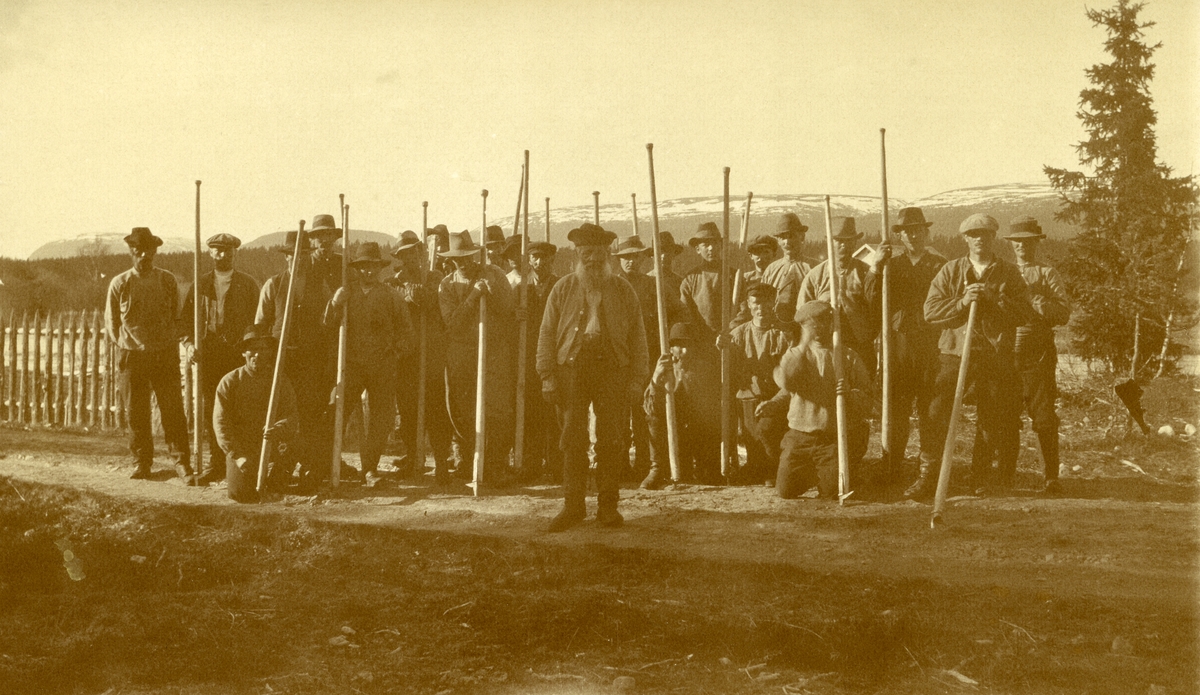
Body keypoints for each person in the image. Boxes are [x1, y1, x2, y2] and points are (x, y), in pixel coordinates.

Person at [911, 213, 1034, 498]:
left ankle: (979, 478)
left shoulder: (1008, 272)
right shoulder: (950, 271)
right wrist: (962, 302)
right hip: (954, 352)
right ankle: (930, 477)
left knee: (992, 416)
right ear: (965, 239)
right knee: (936, 412)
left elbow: (1025, 313)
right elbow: (930, 312)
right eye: (974, 234)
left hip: (994, 354)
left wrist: (996, 298)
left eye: (986, 234)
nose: (980, 239)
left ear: (993, 238)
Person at [537, 223, 648, 531]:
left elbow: (639, 337)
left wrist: (638, 379)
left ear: (608, 254)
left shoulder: (623, 290)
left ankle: (607, 508)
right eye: (585, 253)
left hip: (612, 368)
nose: (592, 259)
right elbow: (546, 333)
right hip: (571, 368)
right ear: (577, 255)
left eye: (598, 253)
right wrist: (547, 374)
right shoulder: (563, 288)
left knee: (611, 439)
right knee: (573, 438)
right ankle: (573, 507)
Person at [105, 227, 193, 483]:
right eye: (138, 250)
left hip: (164, 354)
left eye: (149, 251)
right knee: (136, 412)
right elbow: (112, 325)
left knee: (173, 410)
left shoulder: (167, 280)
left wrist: (166, 342)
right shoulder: (120, 283)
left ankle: (181, 462)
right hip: (132, 357)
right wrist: (130, 344)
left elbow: (176, 316)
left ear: (155, 252)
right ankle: (142, 463)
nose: (144, 255)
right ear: (131, 252)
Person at [257, 227, 343, 485]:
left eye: (304, 253)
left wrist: (337, 304)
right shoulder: (274, 284)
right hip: (281, 361)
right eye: (294, 254)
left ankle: (309, 466)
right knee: (282, 415)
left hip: (312, 361)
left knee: (312, 414)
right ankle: (281, 467)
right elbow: (261, 325)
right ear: (286, 256)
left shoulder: (321, 284)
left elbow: (331, 321)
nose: (299, 258)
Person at [326, 242, 413, 487]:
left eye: (373, 267)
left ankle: (370, 470)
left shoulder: (391, 296)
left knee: (381, 418)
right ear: (357, 269)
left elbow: (408, 333)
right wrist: (334, 303)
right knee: (337, 409)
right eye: (363, 267)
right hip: (351, 366)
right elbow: (328, 325)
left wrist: (393, 353)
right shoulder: (346, 293)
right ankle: (330, 465)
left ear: (380, 268)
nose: (368, 272)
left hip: (382, 367)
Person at [182, 233, 262, 485]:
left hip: (236, 355)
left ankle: (238, 462)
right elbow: (185, 322)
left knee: (238, 408)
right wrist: (189, 344)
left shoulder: (248, 285)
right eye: (217, 250)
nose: (222, 255)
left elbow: (255, 322)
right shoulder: (200, 284)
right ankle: (215, 463)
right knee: (210, 410)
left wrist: (248, 347)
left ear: (235, 253)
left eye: (227, 251)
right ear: (210, 254)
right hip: (209, 354)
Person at [439, 230, 518, 484]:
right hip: (461, 352)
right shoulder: (448, 285)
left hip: (494, 350)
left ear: (475, 255)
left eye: (468, 257)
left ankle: (495, 464)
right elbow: (452, 324)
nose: (463, 263)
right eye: (458, 259)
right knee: (461, 408)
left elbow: (508, 311)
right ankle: (467, 461)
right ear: (451, 260)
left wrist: (490, 292)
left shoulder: (493, 274)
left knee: (496, 407)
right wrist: (474, 295)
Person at [875, 207, 947, 483]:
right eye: (907, 231)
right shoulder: (892, 265)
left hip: (931, 345)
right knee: (896, 409)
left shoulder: (939, 265)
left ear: (926, 232)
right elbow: (874, 300)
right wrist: (878, 266)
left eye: (917, 229)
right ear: (900, 236)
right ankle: (892, 466)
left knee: (930, 410)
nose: (913, 234)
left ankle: (927, 470)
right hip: (899, 345)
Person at [774, 301, 873, 500]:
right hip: (800, 436)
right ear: (802, 327)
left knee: (831, 492)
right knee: (785, 491)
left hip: (833, 438)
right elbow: (785, 381)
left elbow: (868, 400)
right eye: (810, 325)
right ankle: (813, 472)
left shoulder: (847, 356)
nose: (817, 329)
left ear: (831, 324)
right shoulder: (795, 355)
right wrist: (803, 344)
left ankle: (829, 472)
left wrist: (849, 393)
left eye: (822, 322)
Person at [1005, 216, 1071, 495]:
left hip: (1038, 355)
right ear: (1011, 245)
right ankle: (1005, 475)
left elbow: (1064, 313)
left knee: (1043, 416)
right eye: (1017, 241)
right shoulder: (1003, 271)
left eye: (1028, 241)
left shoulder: (1046, 274)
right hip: (1005, 353)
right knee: (1005, 415)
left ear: (1036, 243)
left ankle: (1050, 476)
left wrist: (1039, 301)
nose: (1022, 246)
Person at [390, 229, 455, 484]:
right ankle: (413, 458)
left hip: (433, 355)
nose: (409, 259)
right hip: (407, 356)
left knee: (437, 411)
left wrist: (416, 291)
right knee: (408, 412)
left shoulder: (435, 276)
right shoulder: (395, 281)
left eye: (413, 252)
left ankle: (441, 463)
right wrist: (408, 290)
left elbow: (431, 300)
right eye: (403, 255)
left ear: (420, 252)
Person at [212, 324, 299, 503]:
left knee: (276, 486)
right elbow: (221, 424)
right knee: (240, 494)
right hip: (243, 449)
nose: (257, 354)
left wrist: (279, 428)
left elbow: (292, 416)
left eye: (262, 349)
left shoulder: (279, 381)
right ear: (244, 352)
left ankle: (276, 478)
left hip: (272, 444)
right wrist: (237, 456)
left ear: (269, 353)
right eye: (252, 349)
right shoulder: (230, 382)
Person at [798, 216, 880, 378]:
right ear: (830, 242)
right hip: (826, 347)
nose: (844, 245)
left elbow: (876, 310)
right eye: (839, 240)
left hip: (860, 345)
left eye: (849, 241)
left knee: (861, 392)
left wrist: (867, 334)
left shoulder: (865, 273)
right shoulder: (816, 276)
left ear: (855, 242)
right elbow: (802, 314)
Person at [642, 322, 722, 488]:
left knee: (707, 476)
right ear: (671, 348)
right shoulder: (663, 370)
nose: (685, 351)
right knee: (653, 419)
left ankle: (706, 468)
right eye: (679, 346)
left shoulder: (705, 369)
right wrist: (656, 380)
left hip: (697, 434)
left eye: (689, 345)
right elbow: (650, 408)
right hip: (674, 436)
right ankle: (657, 467)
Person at [728, 282, 792, 485]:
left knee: (767, 431)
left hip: (776, 397)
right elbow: (730, 368)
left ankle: (773, 469)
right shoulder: (738, 334)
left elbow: (790, 374)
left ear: (773, 303)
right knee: (751, 436)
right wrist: (723, 350)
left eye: (765, 303)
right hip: (748, 396)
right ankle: (756, 466)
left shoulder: (782, 335)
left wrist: (776, 399)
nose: (760, 308)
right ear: (748, 304)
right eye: (755, 303)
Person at [516, 240, 562, 483]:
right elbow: (507, 321)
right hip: (528, 358)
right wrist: (516, 315)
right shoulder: (521, 290)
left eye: (544, 257)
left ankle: (557, 464)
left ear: (552, 260)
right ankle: (531, 464)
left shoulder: (561, 287)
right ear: (529, 261)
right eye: (535, 257)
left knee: (555, 413)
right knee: (531, 413)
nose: (540, 262)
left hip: (557, 358)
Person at [614, 235, 657, 481]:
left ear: (642, 258)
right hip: (616, 359)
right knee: (617, 415)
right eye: (625, 257)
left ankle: (644, 464)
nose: (631, 262)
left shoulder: (652, 285)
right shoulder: (610, 285)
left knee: (643, 412)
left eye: (635, 257)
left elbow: (674, 311)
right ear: (619, 260)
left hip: (643, 355)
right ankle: (618, 464)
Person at [762, 213, 815, 332]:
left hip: (805, 330)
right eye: (782, 237)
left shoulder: (813, 268)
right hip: (776, 330)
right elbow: (763, 302)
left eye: (791, 236)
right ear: (778, 241)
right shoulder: (771, 270)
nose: (787, 242)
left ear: (802, 237)